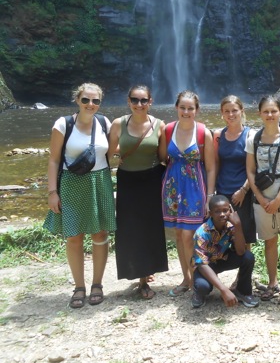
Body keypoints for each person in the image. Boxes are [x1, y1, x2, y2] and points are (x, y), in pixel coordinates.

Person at [44, 83, 116, 308]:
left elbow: (114, 152)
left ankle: (97, 284)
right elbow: (54, 160)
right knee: (74, 235)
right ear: (77, 100)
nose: (90, 104)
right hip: (71, 183)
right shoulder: (63, 124)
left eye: (95, 101)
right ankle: (79, 286)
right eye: (86, 100)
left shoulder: (105, 123)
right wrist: (52, 192)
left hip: (100, 182)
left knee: (100, 233)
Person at [109, 85, 168, 299]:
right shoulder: (118, 124)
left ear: (150, 102)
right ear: (128, 101)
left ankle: (144, 279)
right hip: (127, 180)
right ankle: (135, 269)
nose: (139, 104)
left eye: (144, 100)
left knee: (150, 228)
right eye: (135, 100)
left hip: (151, 179)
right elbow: (108, 153)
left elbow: (162, 156)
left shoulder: (159, 125)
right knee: (128, 227)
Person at [246, 96, 280, 305]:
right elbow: (250, 171)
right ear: (259, 113)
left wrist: (278, 199)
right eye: (266, 111)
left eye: (273, 111)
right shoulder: (254, 139)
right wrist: (260, 197)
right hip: (261, 200)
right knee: (269, 242)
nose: (270, 115)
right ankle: (272, 283)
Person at [162, 90, 215, 297]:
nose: (186, 111)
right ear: (176, 108)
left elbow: (210, 167)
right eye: (182, 107)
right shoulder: (168, 130)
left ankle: (196, 279)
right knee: (178, 233)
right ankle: (186, 278)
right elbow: (159, 157)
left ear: (197, 110)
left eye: (190, 108)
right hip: (172, 188)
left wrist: (210, 197)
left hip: (195, 187)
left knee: (188, 235)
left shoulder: (203, 133)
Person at [191, 195, 260, 309]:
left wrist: (238, 226)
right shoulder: (202, 233)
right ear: (211, 213)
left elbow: (241, 251)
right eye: (217, 211)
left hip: (223, 259)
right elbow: (202, 264)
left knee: (248, 257)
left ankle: (243, 291)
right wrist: (224, 290)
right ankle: (198, 293)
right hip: (206, 266)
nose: (222, 214)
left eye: (225, 210)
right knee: (203, 287)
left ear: (230, 210)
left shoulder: (232, 226)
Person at [212, 95, 256, 248]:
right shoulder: (218, 135)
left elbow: (254, 167)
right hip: (222, 193)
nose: (231, 115)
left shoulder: (250, 135)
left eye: (234, 110)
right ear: (222, 113)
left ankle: (244, 271)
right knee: (222, 236)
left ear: (242, 111)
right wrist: (212, 193)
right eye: (227, 111)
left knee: (244, 237)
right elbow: (216, 164)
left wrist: (243, 190)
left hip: (243, 194)